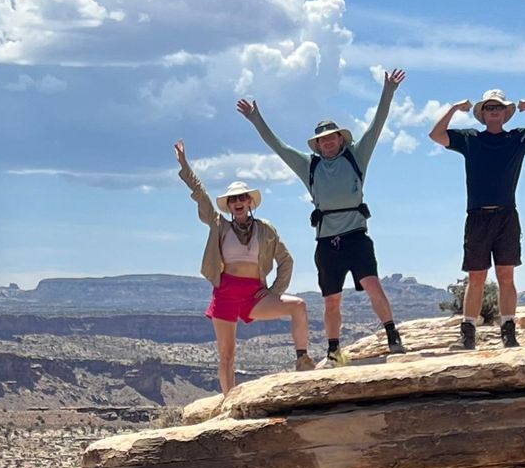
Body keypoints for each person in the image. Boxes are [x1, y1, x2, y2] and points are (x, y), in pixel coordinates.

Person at [235, 69, 407, 362]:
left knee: (372, 284)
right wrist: (256, 119)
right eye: (322, 140)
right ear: (317, 144)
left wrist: (388, 91)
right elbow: (279, 147)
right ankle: (333, 349)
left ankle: (392, 335)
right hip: (327, 241)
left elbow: (376, 125)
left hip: (356, 236)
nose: (327, 142)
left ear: (341, 139)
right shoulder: (309, 167)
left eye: (332, 137)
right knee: (331, 300)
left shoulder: (357, 156)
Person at [173, 145, 315, 394]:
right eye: (233, 199)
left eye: (242, 198)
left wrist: (274, 291)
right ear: (228, 206)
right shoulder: (219, 225)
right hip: (226, 293)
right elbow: (200, 193)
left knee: (299, 306)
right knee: (227, 355)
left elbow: (286, 260)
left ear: (250, 202)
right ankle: (229, 401)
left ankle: (303, 359)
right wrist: (184, 165)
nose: (238, 202)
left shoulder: (265, 230)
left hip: (254, 294)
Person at [427, 87, 525, 350]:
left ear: (506, 112)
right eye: (489, 107)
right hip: (477, 216)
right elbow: (436, 135)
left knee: (506, 275)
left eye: (498, 107)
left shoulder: (517, 138)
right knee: (476, 277)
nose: (494, 111)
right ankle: (468, 333)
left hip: (506, 215)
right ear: (483, 114)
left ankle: (508, 331)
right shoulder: (470, 139)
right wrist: (453, 108)